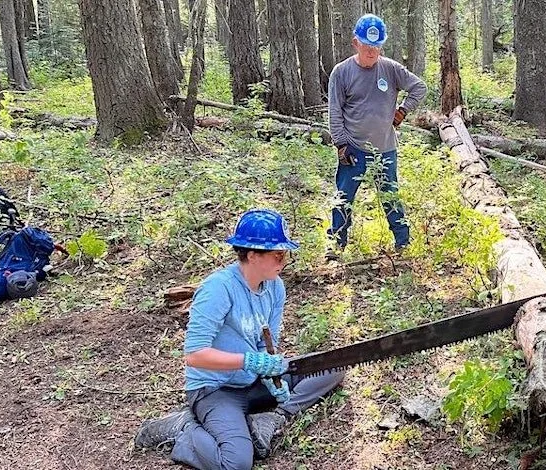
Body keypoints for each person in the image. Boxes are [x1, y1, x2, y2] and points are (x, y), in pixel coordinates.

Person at [134, 209, 345, 469]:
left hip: (252, 381)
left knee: (332, 368)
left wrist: (269, 373)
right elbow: (195, 355)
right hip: (215, 389)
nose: (283, 260)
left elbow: (265, 342)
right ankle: (183, 429)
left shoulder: (275, 286)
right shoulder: (218, 289)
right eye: (277, 254)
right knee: (235, 464)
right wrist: (250, 361)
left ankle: (273, 419)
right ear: (253, 255)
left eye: (285, 254)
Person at [326, 13, 428, 258]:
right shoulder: (341, 72)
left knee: (390, 195)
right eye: (367, 45)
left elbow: (419, 87)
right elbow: (334, 112)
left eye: (376, 46)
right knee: (344, 197)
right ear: (355, 43)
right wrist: (341, 144)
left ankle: (403, 242)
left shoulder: (391, 69)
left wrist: (402, 110)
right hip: (353, 147)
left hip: (385, 148)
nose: (371, 51)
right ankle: (336, 244)